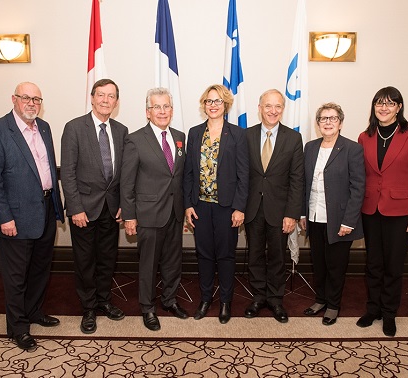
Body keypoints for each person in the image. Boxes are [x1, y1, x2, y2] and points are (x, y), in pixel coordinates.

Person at [0, 82, 64, 351]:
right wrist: (3, 217)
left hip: (46, 209)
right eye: (26, 98)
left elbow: (48, 169)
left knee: (40, 269)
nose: (32, 103)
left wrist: (57, 206)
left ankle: (34, 311)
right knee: (16, 276)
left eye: (37, 99)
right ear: (14, 99)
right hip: (15, 217)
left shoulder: (45, 128)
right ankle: (17, 327)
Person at [356, 86, 408, 337]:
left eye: (389, 103)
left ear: (399, 107)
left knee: (393, 265)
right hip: (370, 209)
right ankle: (373, 308)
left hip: (400, 211)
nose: (383, 107)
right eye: (379, 103)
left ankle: (389, 313)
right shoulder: (365, 137)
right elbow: (361, 176)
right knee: (373, 264)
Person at [61, 78, 128, 334]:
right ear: (92, 97)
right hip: (84, 210)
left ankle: (104, 301)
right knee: (85, 261)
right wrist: (75, 207)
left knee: (107, 260)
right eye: (101, 95)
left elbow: (124, 173)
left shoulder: (121, 131)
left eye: (111, 96)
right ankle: (88, 308)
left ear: (116, 101)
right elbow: (67, 173)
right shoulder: (74, 128)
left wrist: (123, 203)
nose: (105, 100)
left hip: (111, 209)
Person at [120, 87, 188, 331]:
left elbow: (179, 176)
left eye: (166, 106)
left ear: (171, 109)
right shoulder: (135, 139)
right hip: (148, 214)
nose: (162, 111)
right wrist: (129, 216)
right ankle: (148, 308)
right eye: (157, 107)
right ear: (148, 112)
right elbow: (126, 182)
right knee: (148, 265)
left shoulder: (180, 136)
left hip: (175, 212)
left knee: (172, 261)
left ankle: (169, 300)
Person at [183, 84, 249, 324]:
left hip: (227, 208)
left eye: (218, 101)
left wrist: (240, 207)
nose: (213, 105)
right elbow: (188, 172)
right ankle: (205, 299)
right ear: (204, 105)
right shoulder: (194, 133)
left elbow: (244, 174)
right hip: (200, 206)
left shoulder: (238, 134)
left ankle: (225, 302)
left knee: (226, 256)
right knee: (204, 255)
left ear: (226, 105)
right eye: (209, 101)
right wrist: (188, 205)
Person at [299, 103, 365, 326]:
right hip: (314, 216)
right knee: (318, 263)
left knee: (336, 266)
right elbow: (303, 183)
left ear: (340, 123)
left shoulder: (352, 149)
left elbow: (358, 187)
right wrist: (302, 214)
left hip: (339, 220)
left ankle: (333, 305)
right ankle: (320, 300)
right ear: (317, 124)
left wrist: (350, 220)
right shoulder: (310, 147)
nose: (328, 122)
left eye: (333, 118)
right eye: (323, 118)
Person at [244, 89, 303, 324]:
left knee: (278, 256)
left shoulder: (293, 138)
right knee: (255, 255)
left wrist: (292, 213)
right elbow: (241, 175)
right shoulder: (245, 136)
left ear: (283, 109)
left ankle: (276, 299)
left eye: (278, 106)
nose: (273, 110)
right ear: (259, 108)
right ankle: (259, 296)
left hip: (280, 211)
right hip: (252, 208)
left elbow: (297, 179)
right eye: (268, 106)